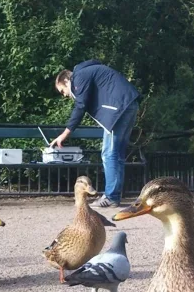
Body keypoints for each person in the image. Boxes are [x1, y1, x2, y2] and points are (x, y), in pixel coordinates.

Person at [50, 60, 139, 208]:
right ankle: (114, 195)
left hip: (118, 109)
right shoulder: (88, 72)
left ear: (66, 80)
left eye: (62, 91)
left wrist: (65, 133)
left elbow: (81, 106)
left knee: (109, 154)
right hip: (129, 105)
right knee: (117, 155)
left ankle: (111, 197)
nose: (65, 95)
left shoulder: (78, 77)